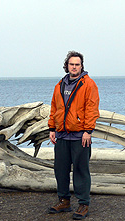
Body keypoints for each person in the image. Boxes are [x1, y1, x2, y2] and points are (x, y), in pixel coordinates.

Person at [47, 51, 100, 220]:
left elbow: (92, 109)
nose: (74, 67)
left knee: (80, 170)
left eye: (77, 64)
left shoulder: (89, 84)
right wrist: (52, 128)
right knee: (60, 170)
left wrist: (88, 131)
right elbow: (54, 108)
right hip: (62, 135)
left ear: (81, 66)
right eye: (71, 64)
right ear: (67, 65)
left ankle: (83, 204)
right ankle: (64, 201)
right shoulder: (59, 85)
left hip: (80, 136)